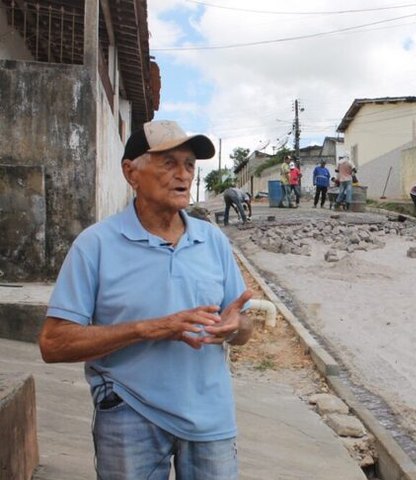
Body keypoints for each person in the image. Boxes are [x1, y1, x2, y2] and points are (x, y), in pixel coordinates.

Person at [38, 120, 255, 479]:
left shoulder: (212, 240)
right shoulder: (96, 245)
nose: (183, 175)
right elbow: (54, 343)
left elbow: (244, 326)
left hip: (210, 418)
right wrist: (148, 328)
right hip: (129, 412)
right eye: (168, 163)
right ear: (131, 173)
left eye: (189, 164)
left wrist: (235, 327)